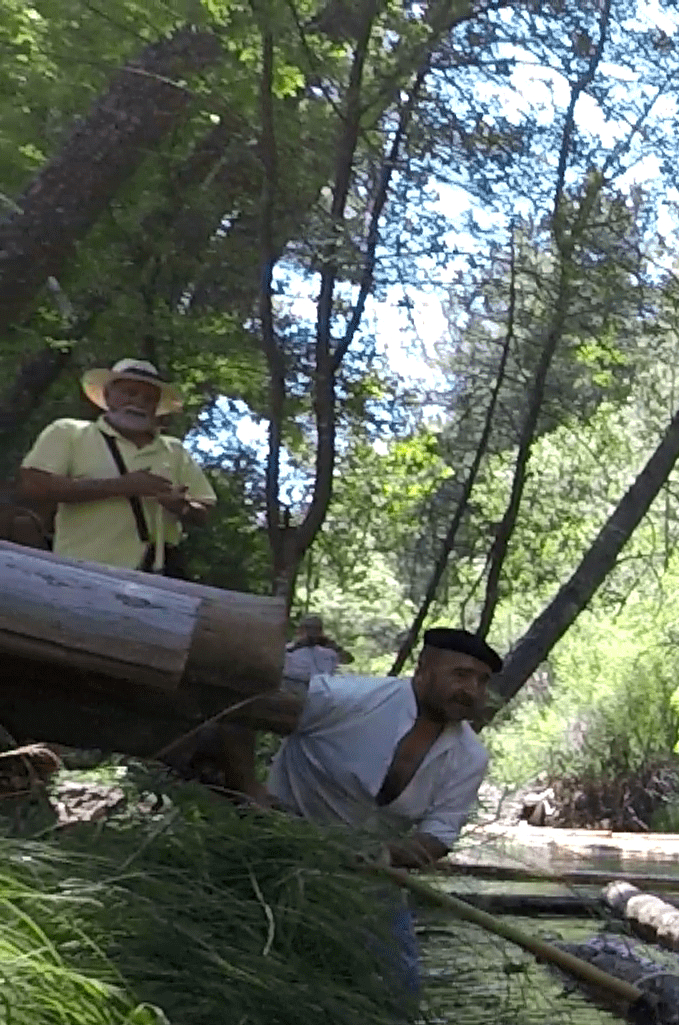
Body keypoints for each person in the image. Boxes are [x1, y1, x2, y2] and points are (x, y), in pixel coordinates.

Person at [268, 627, 497, 871]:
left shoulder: (470, 758)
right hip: (278, 847)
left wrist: (386, 855)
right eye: (460, 675)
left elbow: (440, 832)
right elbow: (246, 705)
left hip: (361, 881)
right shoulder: (346, 699)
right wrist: (247, 787)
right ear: (424, 668)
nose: (472, 690)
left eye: (482, 681)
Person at [16, 359, 216, 574]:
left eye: (149, 399)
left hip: (157, 577)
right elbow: (33, 486)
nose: (138, 402)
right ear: (108, 396)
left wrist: (182, 506)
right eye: (130, 393)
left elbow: (204, 511)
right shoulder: (69, 432)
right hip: (81, 570)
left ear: (157, 407)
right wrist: (122, 486)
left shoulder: (174, 450)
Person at [282, 614, 356, 692]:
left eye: (315, 629)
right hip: (295, 689)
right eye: (308, 628)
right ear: (300, 630)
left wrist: (334, 646)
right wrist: (299, 645)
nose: (312, 632)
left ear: (320, 631)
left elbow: (348, 659)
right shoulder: (288, 649)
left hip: (323, 691)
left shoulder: (328, 650)